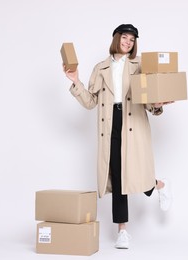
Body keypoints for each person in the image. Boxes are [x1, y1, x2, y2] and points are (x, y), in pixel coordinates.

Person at [64, 24, 172, 249]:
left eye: (132, 40)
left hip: (133, 121)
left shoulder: (141, 64)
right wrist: (75, 81)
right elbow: (91, 101)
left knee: (135, 171)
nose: (128, 42)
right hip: (110, 122)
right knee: (118, 175)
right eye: (125, 38)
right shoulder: (100, 67)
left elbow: (149, 96)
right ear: (116, 38)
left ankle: (159, 185)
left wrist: (158, 104)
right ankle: (122, 231)